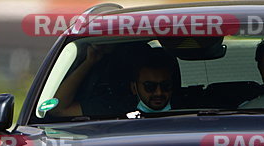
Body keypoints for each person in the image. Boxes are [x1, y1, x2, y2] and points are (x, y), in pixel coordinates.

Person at [48, 44, 178, 117]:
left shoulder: (192, 106)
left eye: (166, 86)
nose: (159, 93)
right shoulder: (114, 107)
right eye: (150, 86)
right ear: (134, 87)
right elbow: (58, 110)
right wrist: (89, 62)